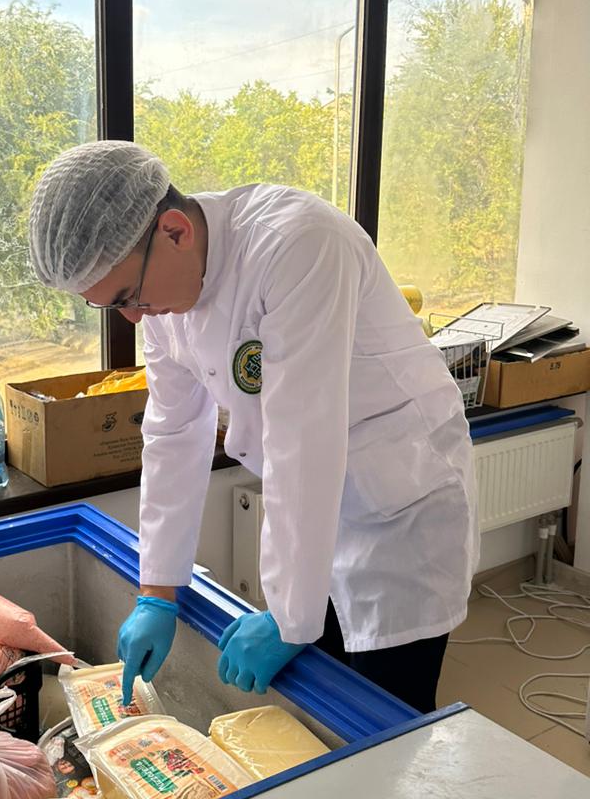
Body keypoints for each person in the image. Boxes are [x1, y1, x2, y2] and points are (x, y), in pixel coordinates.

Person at [28, 142, 478, 713]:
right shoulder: (164, 297)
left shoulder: (299, 245)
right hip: (317, 513)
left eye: (129, 296)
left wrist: (288, 618)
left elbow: (302, 439)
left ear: (174, 231)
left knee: (385, 713)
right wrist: (157, 590)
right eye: (113, 307)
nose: (134, 317)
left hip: (400, 512)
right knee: (323, 697)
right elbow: (172, 434)